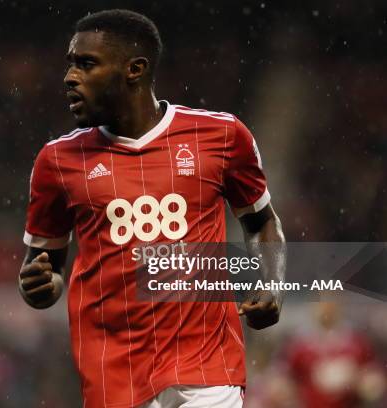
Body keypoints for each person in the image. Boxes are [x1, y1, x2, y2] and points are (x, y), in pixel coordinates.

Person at [18, 9, 286, 408]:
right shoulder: (57, 161)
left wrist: (272, 283)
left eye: (86, 64)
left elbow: (262, 222)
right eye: (70, 64)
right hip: (114, 373)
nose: (70, 77)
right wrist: (39, 286)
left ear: (135, 70)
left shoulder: (221, 136)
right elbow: (47, 267)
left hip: (207, 367)